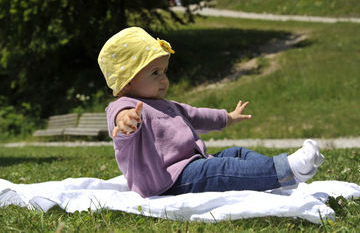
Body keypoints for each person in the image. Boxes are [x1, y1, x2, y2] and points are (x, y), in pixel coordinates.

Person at [98, 27, 325, 198]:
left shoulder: (167, 105)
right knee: (221, 169)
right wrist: (127, 122)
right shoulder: (125, 106)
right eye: (155, 73)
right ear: (126, 83)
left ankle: (278, 175)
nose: (164, 79)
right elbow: (119, 117)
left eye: (165, 71)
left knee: (237, 153)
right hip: (166, 181)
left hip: (191, 167)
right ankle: (288, 168)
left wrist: (228, 117)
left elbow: (197, 115)